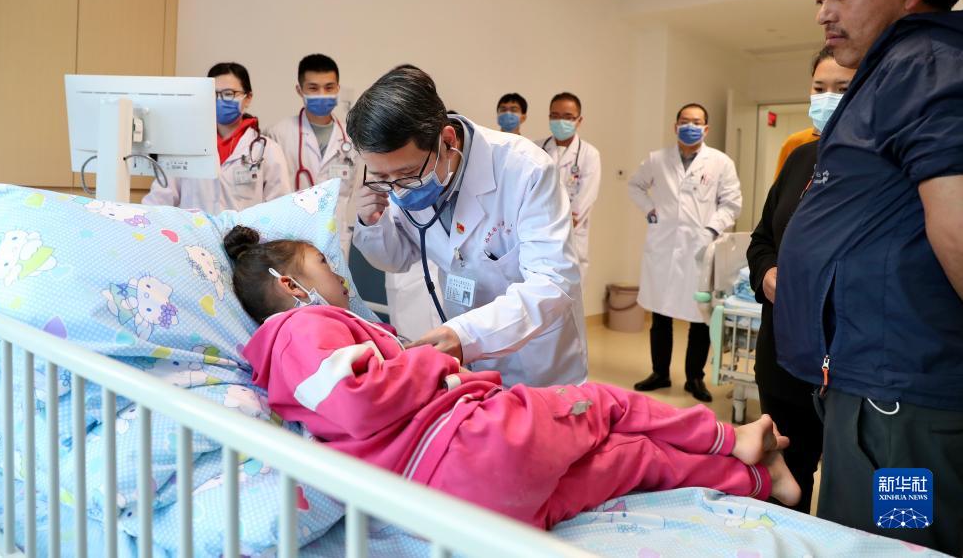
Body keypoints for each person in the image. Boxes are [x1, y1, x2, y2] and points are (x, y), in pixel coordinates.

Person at [224, 225, 801, 530]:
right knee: (606, 405)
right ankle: (733, 438)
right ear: (291, 287)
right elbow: (354, 400)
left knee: (630, 461)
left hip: (472, 504)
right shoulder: (301, 329)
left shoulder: (302, 347)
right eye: (324, 263)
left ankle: (756, 480)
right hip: (476, 448)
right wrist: (433, 362)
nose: (339, 273)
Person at [777, 0, 963, 553]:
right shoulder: (894, 72)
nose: (823, 12)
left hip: (897, 407)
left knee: (893, 544)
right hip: (874, 388)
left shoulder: (925, 66)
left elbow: (957, 226)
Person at [348, 65, 587, 388]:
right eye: (382, 177)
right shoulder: (404, 174)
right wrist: (371, 222)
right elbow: (396, 258)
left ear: (447, 140)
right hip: (467, 353)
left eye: (406, 174)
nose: (398, 190)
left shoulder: (525, 169)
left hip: (536, 358)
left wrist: (466, 335)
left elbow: (553, 282)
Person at [747, 46, 855, 514]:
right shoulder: (800, 159)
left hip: (853, 368)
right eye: (819, 88)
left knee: (862, 494)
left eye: (843, 88)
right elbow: (761, 239)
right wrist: (767, 273)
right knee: (786, 481)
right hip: (783, 359)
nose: (827, 98)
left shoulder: (889, 164)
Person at [628, 103, 742, 403]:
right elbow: (635, 185)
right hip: (664, 245)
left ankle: (694, 377)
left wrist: (711, 229)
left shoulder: (720, 162)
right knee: (660, 314)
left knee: (699, 314)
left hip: (700, 246)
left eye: (697, 122)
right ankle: (660, 373)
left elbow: (732, 203)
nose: (690, 126)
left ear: (706, 128)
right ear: (675, 125)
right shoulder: (657, 159)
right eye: (684, 121)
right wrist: (650, 210)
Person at [142, 62, 292, 212]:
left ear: (248, 98)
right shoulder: (186, 147)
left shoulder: (267, 150)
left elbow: (279, 209)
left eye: (229, 94)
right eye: (213, 94)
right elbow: (158, 200)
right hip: (195, 228)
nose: (219, 100)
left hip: (244, 229)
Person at [265, 54, 359, 256]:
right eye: (313, 88)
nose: (322, 94)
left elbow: (356, 192)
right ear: (299, 90)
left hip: (336, 236)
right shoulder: (278, 134)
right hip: (293, 235)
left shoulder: (353, 138)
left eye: (329, 87)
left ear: (338, 88)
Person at [538, 93, 601, 282]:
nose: (560, 121)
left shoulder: (590, 154)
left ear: (579, 120)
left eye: (567, 117)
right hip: (537, 231)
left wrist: (558, 220)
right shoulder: (536, 149)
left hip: (571, 236)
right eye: (555, 116)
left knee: (569, 288)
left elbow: (584, 200)